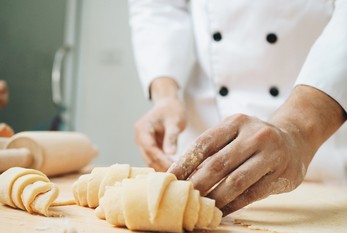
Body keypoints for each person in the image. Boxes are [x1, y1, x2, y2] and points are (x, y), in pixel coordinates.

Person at [128, 0, 347, 216]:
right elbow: (159, 6)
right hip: (204, 129)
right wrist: (165, 95)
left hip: (322, 147)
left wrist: (298, 129)